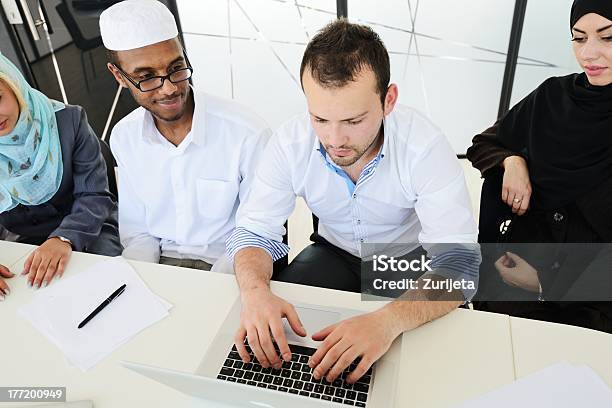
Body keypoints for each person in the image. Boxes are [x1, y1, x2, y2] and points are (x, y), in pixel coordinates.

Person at [227, 20, 480, 384]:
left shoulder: (425, 148)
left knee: (429, 372)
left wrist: (388, 321)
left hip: (406, 260)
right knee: (275, 347)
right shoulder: (289, 143)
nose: (335, 139)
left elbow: (460, 266)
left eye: (353, 120)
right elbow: (253, 231)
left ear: (387, 100)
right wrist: (254, 291)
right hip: (334, 252)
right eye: (320, 118)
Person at [466, 0, 612, 333]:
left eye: (608, 37)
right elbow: (483, 144)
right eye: (579, 38)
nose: (589, 53)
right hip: (511, 284)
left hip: (589, 308)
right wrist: (512, 160)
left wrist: (546, 283)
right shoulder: (551, 96)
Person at [100, 0, 270, 270]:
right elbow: (139, 234)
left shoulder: (246, 132)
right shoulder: (124, 137)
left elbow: (258, 232)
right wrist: (139, 279)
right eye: (147, 77)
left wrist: (213, 286)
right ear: (119, 76)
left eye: (176, 69)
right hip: (160, 263)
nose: (168, 89)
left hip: (229, 264)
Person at [0, 53, 121, 297]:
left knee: (102, 292)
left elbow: (95, 195)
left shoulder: (69, 121)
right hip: (24, 240)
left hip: (88, 228)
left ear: (15, 86)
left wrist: (64, 238)